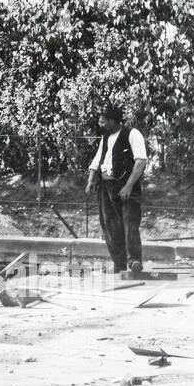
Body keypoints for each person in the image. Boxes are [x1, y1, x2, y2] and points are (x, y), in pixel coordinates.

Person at [84, 104, 148, 275]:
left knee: (130, 224)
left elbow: (141, 161)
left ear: (113, 121)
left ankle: (134, 260)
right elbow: (97, 160)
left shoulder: (132, 134)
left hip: (126, 187)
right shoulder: (105, 138)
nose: (101, 124)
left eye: (104, 121)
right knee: (110, 225)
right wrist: (91, 181)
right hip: (106, 187)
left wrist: (128, 186)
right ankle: (119, 263)